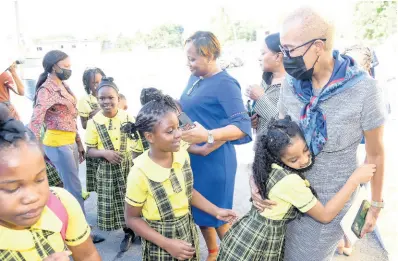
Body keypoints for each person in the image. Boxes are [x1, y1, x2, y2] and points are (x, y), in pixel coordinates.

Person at [250, 7, 386, 261]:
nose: (284, 57)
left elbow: (375, 154)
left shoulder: (365, 90)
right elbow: (276, 131)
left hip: (327, 205)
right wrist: (257, 177)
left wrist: (375, 206)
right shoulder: (291, 82)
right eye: (281, 50)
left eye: (289, 50)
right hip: (285, 196)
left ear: (317, 46)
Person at [217, 116, 375, 261]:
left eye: (306, 150)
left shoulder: (269, 166)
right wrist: (354, 180)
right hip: (260, 240)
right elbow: (325, 215)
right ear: (278, 157)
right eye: (294, 159)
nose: (305, 160)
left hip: (246, 233)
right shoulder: (291, 182)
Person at [123, 93, 237, 261]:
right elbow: (131, 218)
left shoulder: (181, 153)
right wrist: (167, 243)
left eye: (178, 127)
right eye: (170, 131)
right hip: (160, 242)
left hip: (187, 230)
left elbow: (187, 191)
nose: (178, 134)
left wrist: (216, 211)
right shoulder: (140, 172)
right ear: (149, 137)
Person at [179, 31, 252, 260]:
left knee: (217, 215)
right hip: (194, 156)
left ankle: (233, 256)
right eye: (187, 58)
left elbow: (242, 125)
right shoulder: (196, 77)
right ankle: (213, 252)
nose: (188, 64)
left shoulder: (226, 83)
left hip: (215, 161)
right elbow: (187, 111)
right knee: (200, 212)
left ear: (209, 55)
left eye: (193, 59)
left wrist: (210, 136)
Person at [0, 112, 101, 261]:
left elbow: (88, 255)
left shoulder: (61, 203)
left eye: (40, 179)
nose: (33, 197)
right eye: (12, 188)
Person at [85, 77, 142, 252]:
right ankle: (128, 231)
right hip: (107, 170)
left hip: (127, 168)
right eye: (102, 98)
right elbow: (89, 150)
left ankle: (135, 229)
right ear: (97, 99)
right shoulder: (93, 122)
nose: (106, 101)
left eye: (110, 97)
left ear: (118, 98)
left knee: (132, 200)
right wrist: (105, 153)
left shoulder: (127, 118)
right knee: (116, 203)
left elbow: (137, 144)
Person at [29, 50, 86, 212]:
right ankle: (81, 230)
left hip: (69, 142)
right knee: (73, 188)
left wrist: (79, 142)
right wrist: (33, 149)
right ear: (54, 67)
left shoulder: (63, 85)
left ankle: (76, 226)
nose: (69, 69)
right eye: (66, 66)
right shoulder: (46, 90)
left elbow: (70, 117)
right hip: (58, 144)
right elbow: (36, 119)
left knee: (73, 186)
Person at [246, 33, 285, 135]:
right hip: (262, 148)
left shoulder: (293, 86)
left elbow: (285, 125)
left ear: (278, 56)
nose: (259, 58)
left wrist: (260, 98)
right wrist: (253, 120)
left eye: (263, 53)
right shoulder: (266, 80)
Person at [78, 68, 106, 197]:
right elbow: (83, 125)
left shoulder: (110, 96)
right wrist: (92, 116)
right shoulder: (85, 101)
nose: (97, 85)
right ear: (87, 85)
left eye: (100, 81)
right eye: (93, 83)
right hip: (96, 145)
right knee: (102, 182)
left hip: (113, 143)